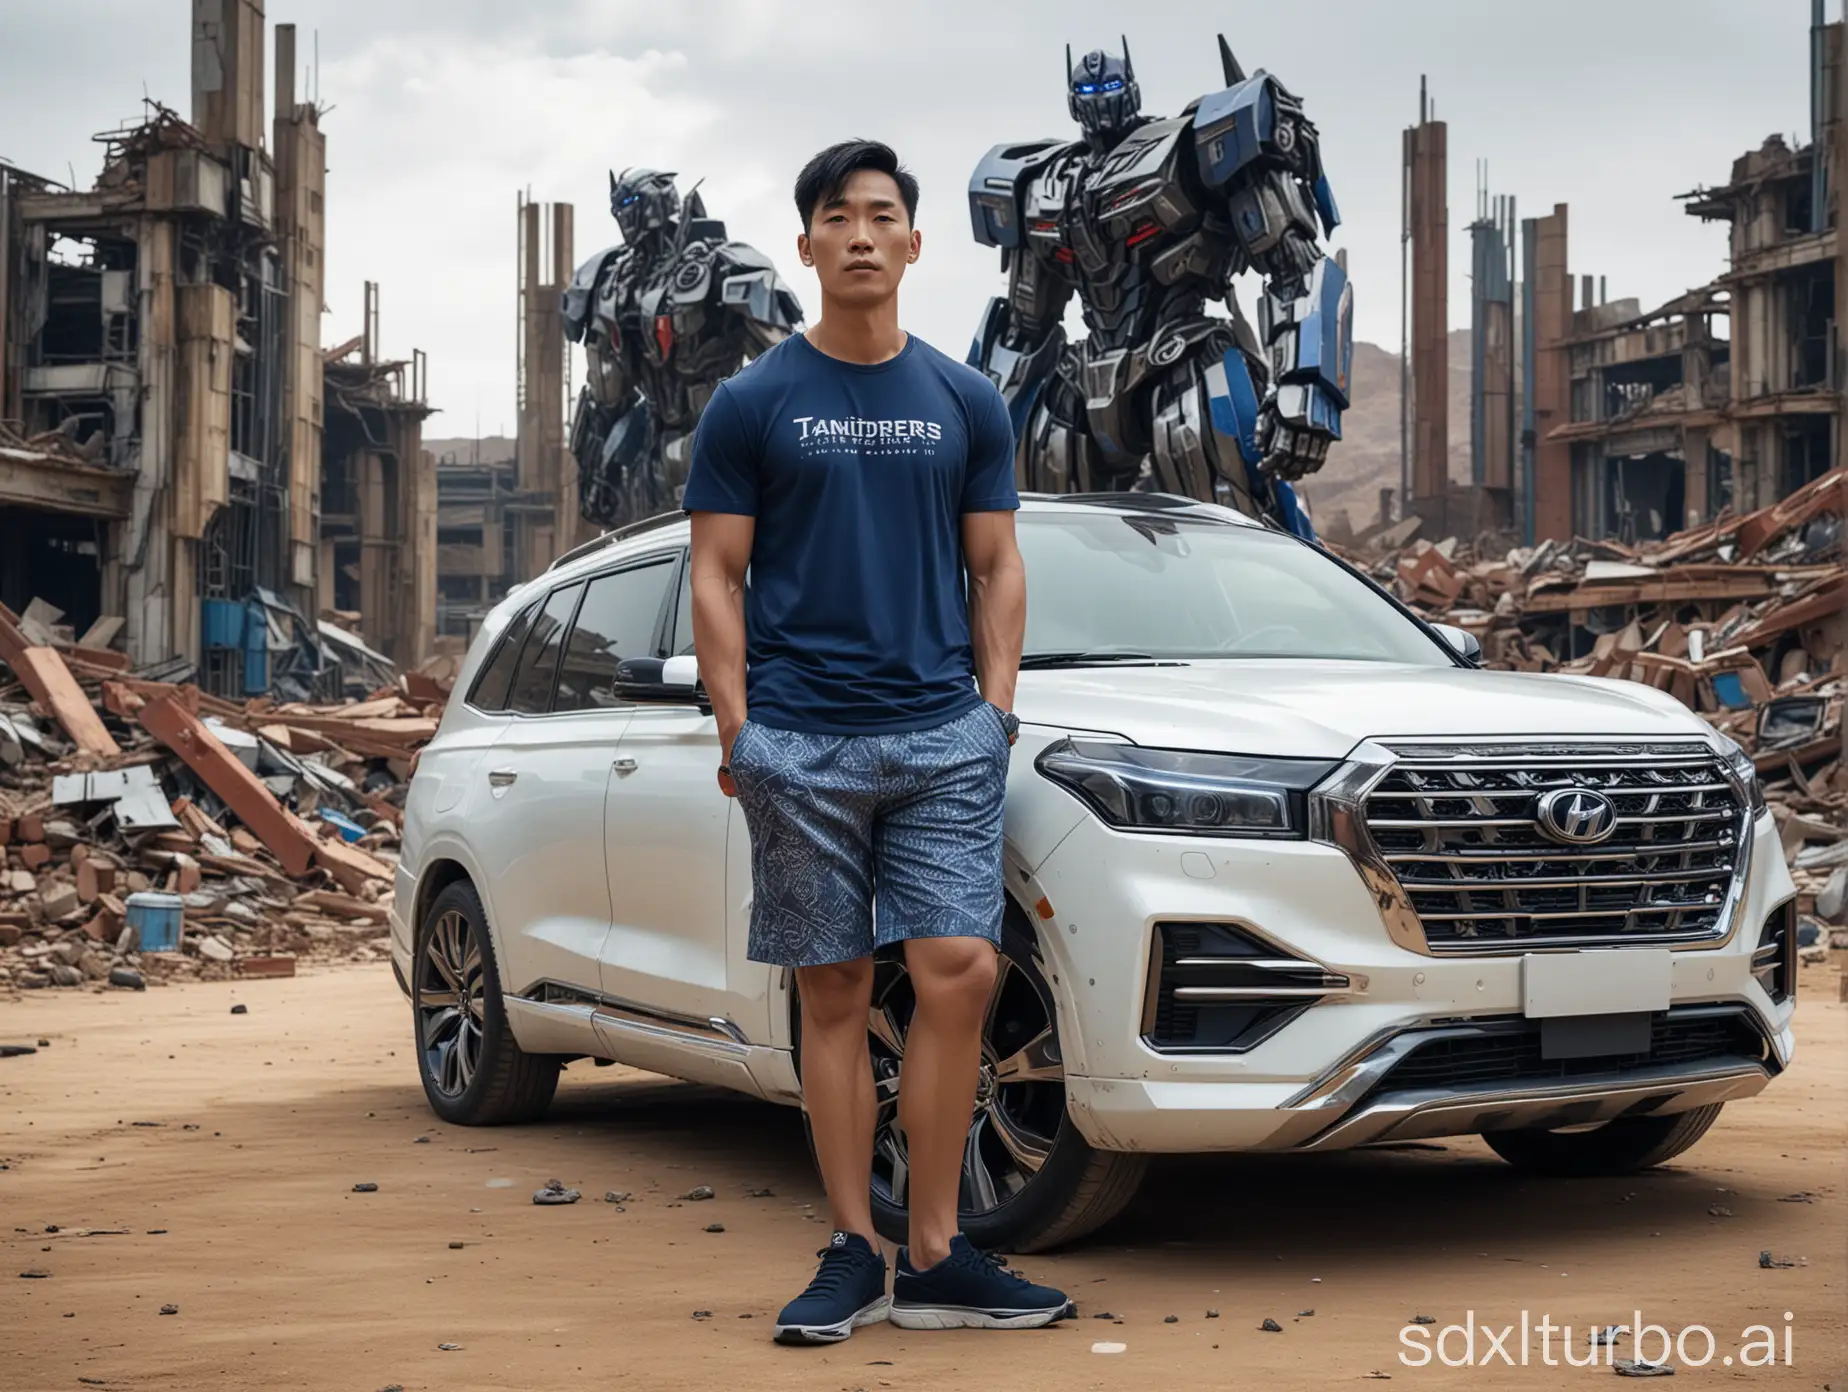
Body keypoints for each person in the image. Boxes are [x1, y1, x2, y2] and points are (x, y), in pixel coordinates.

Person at [682, 139, 1071, 1344]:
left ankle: (942, 1247)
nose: (860, 233)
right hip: (801, 741)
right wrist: (740, 729)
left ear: (914, 242)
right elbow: (714, 573)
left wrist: (994, 713)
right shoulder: (753, 402)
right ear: (807, 247)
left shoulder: (965, 399)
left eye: (882, 215)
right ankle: (855, 1244)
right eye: (837, 217)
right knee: (836, 987)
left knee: (961, 969)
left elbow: (998, 564)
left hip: (941, 736)